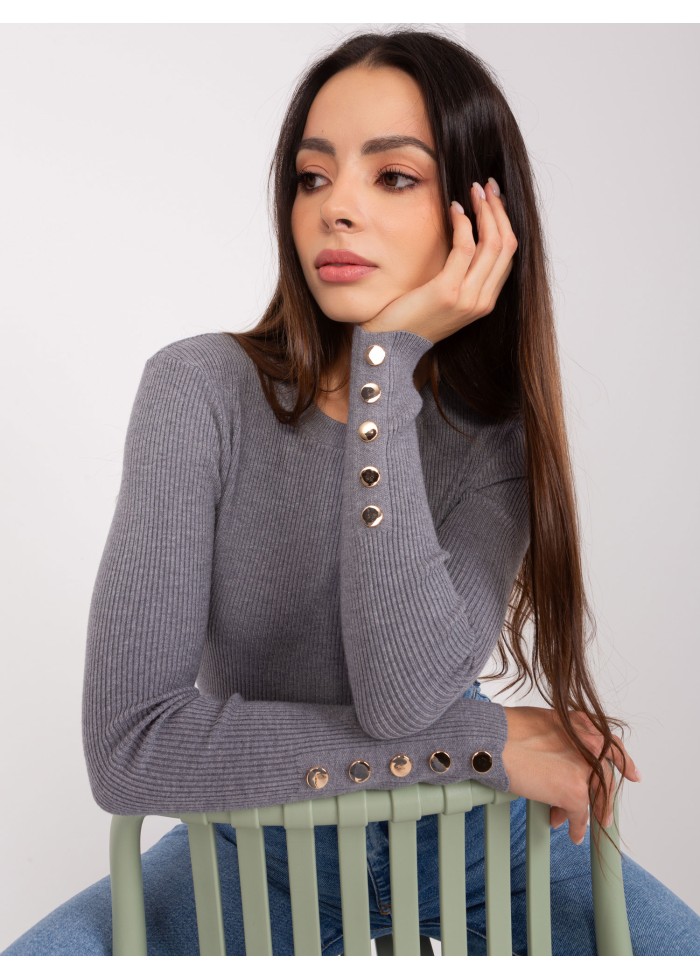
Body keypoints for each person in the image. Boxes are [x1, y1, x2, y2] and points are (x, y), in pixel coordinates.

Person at [3, 27, 699, 956]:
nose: (336, 209)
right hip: (250, 853)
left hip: (489, 851)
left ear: (478, 214)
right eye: (312, 176)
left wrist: (384, 367)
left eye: (393, 176)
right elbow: (130, 746)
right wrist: (476, 740)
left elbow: (401, 694)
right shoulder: (197, 390)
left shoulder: (496, 438)